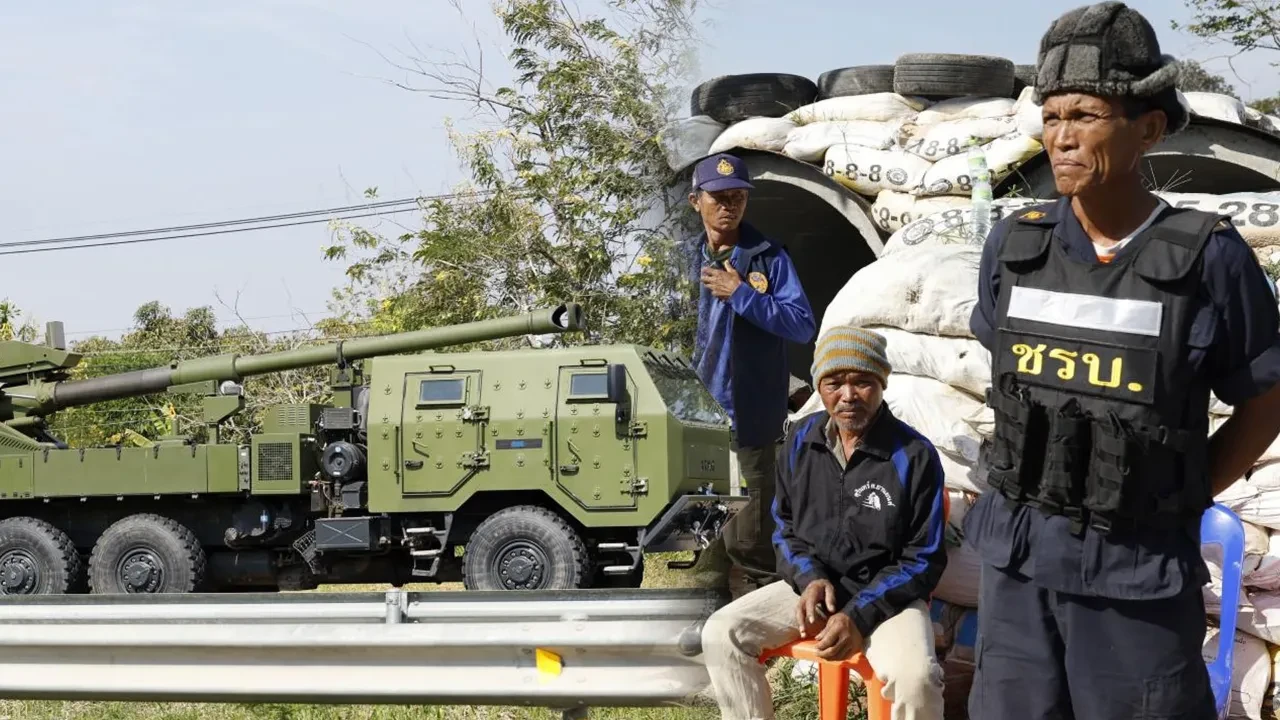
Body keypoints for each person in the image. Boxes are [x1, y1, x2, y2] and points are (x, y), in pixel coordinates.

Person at [965, 3, 1280, 718]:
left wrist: (1180, 490)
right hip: (1018, 573)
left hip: (1133, 576)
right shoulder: (1017, 247)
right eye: (1051, 117)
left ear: (1149, 128)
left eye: (1086, 114)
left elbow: (1266, 398)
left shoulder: (1209, 258)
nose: (1063, 138)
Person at [700, 325, 947, 720]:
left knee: (916, 679)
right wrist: (809, 577)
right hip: (813, 591)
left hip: (887, 598)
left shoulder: (915, 455)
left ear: (882, 384)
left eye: (862, 382)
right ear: (819, 386)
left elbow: (924, 557)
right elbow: (785, 526)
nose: (848, 396)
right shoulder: (800, 440)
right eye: (834, 383)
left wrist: (859, 615)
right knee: (721, 633)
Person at [685, 152, 816, 599]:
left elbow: (800, 324)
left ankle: (769, 617)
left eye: (738, 196)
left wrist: (742, 295)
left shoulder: (769, 258)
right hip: (691, 419)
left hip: (750, 417)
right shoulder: (681, 258)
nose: (729, 205)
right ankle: (703, 618)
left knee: (748, 534)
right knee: (699, 530)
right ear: (695, 201)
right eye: (719, 197)